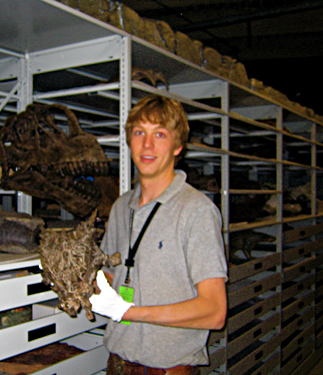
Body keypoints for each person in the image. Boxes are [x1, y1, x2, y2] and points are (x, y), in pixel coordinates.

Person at [90, 94, 228, 375]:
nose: (147, 144)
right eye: (139, 132)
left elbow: (215, 311)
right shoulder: (120, 208)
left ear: (178, 146)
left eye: (160, 134)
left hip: (167, 370)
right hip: (117, 364)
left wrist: (131, 313)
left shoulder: (197, 211)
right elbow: (112, 276)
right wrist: (86, 282)